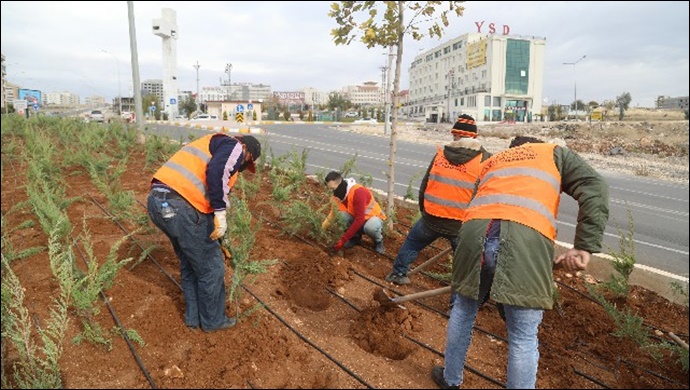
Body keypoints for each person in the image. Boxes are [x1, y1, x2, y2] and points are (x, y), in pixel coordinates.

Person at [432, 135, 610, 389]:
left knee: (463, 310)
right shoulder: (553, 152)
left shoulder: (495, 160)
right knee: (523, 336)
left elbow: (477, 201)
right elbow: (595, 185)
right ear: (537, 143)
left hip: (474, 234)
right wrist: (584, 246)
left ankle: (450, 380)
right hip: (523, 238)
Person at [146, 133, 261, 333]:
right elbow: (217, 172)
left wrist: (221, 241)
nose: (242, 167)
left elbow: (208, 210)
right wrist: (221, 214)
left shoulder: (210, 145)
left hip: (159, 202)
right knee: (211, 267)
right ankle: (213, 322)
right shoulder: (234, 146)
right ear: (248, 152)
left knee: (191, 263)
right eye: (247, 162)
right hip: (181, 205)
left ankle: (194, 320)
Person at [385, 114, 491, 285]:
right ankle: (458, 301)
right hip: (461, 225)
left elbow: (424, 186)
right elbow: (486, 195)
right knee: (463, 263)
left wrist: (425, 213)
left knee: (412, 243)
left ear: (455, 135)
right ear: (474, 136)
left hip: (432, 218)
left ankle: (398, 274)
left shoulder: (440, 155)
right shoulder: (485, 159)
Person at [322, 171, 387, 254]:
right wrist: (321, 229)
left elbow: (360, 219)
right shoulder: (338, 195)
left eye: (333, 188)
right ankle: (355, 238)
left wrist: (343, 240)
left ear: (339, 183)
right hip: (358, 218)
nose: (332, 191)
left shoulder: (358, 192)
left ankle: (378, 241)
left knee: (371, 227)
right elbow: (333, 214)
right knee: (341, 216)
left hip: (373, 218)